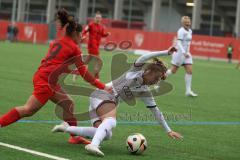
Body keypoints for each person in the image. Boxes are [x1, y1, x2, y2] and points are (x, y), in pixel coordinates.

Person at [0, 9, 111, 145]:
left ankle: (74, 136)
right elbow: (86, 76)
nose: (82, 37)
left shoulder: (58, 41)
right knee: (28, 109)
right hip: (46, 81)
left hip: (45, 77)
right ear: (75, 34)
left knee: (68, 104)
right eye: (80, 34)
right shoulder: (74, 48)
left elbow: (57, 62)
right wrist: (103, 86)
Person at [52, 47, 183, 157]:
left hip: (102, 101)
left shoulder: (145, 92)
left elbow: (156, 112)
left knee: (107, 134)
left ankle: (66, 128)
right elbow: (144, 57)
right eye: (156, 77)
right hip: (102, 95)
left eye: (159, 79)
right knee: (111, 121)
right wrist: (166, 52)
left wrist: (168, 130)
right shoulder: (135, 72)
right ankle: (93, 145)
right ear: (149, 71)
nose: (156, 81)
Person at [72, 11, 110, 81]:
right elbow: (84, 31)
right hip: (92, 45)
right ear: (94, 18)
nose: (98, 19)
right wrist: (82, 36)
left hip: (96, 46)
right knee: (98, 61)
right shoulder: (91, 25)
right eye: (97, 17)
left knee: (87, 61)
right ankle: (97, 78)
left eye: (99, 18)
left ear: (101, 19)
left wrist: (107, 34)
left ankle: (76, 71)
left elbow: (102, 34)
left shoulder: (101, 27)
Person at [166, 16, 197, 97]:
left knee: (190, 71)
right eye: (186, 23)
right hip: (179, 53)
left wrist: (187, 52)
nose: (188, 24)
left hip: (186, 54)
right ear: (183, 23)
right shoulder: (180, 31)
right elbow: (179, 43)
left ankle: (188, 91)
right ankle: (158, 81)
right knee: (173, 71)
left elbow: (188, 43)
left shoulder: (190, 31)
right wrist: (183, 52)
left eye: (188, 22)